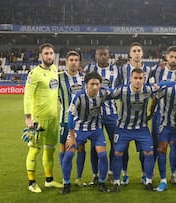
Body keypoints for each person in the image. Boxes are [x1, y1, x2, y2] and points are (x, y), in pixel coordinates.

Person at [60, 72, 111, 194]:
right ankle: (66, 184)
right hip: (78, 128)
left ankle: (102, 183)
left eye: (97, 84)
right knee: (68, 155)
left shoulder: (103, 93)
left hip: (96, 129)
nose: (95, 87)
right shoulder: (78, 96)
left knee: (103, 155)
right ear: (86, 84)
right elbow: (71, 117)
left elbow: (120, 91)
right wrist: (72, 137)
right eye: (92, 84)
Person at [23, 43, 63, 193]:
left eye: (51, 53)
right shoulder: (34, 74)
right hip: (38, 119)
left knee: (50, 150)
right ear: (41, 56)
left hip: (53, 118)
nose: (49, 56)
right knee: (34, 150)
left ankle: (49, 180)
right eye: (46, 53)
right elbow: (27, 95)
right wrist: (28, 117)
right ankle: (31, 182)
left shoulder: (54, 69)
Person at [110, 68, 157, 192]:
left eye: (140, 78)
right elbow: (107, 94)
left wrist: (151, 111)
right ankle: (116, 182)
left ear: (144, 79)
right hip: (123, 128)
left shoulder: (148, 89)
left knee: (149, 152)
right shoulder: (122, 90)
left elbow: (164, 86)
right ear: (130, 79)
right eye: (135, 78)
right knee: (118, 153)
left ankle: (148, 181)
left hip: (141, 128)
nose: (137, 81)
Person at [115, 42, 151, 185]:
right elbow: (116, 87)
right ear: (130, 54)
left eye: (139, 50)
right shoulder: (123, 69)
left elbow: (154, 87)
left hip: (141, 117)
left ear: (142, 54)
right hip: (125, 116)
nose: (137, 53)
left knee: (144, 151)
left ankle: (144, 174)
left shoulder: (149, 69)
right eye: (134, 51)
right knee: (122, 150)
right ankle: (124, 174)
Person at [84, 46, 119, 185]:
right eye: (100, 54)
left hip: (111, 113)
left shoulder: (116, 70)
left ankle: (110, 172)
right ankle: (95, 174)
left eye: (105, 54)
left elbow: (119, 89)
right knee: (94, 145)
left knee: (115, 143)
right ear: (96, 55)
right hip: (94, 115)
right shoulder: (88, 69)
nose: (103, 56)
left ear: (109, 55)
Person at [149, 45, 176, 185]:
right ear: (166, 57)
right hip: (158, 114)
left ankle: (173, 174)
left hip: (175, 116)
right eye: (171, 57)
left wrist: (163, 85)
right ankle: (152, 173)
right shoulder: (156, 71)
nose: (173, 60)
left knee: (173, 145)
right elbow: (152, 89)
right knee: (156, 145)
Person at [57, 50, 86, 187]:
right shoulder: (58, 77)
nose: (74, 62)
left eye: (76, 60)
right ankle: (65, 179)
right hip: (64, 118)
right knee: (63, 148)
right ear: (66, 62)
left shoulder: (83, 78)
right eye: (71, 60)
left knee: (80, 147)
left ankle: (79, 178)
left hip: (80, 121)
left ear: (79, 62)